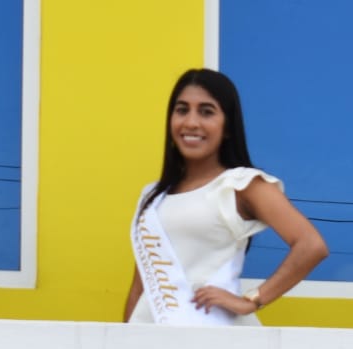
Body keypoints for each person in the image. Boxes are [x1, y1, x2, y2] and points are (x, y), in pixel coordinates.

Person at [123, 69, 327, 326]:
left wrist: (252, 299)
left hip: (214, 334)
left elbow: (311, 245)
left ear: (228, 126)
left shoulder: (240, 185)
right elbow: (140, 287)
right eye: (182, 110)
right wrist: (124, 338)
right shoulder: (153, 196)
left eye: (206, 112)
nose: (191, 122)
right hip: (151, 335)